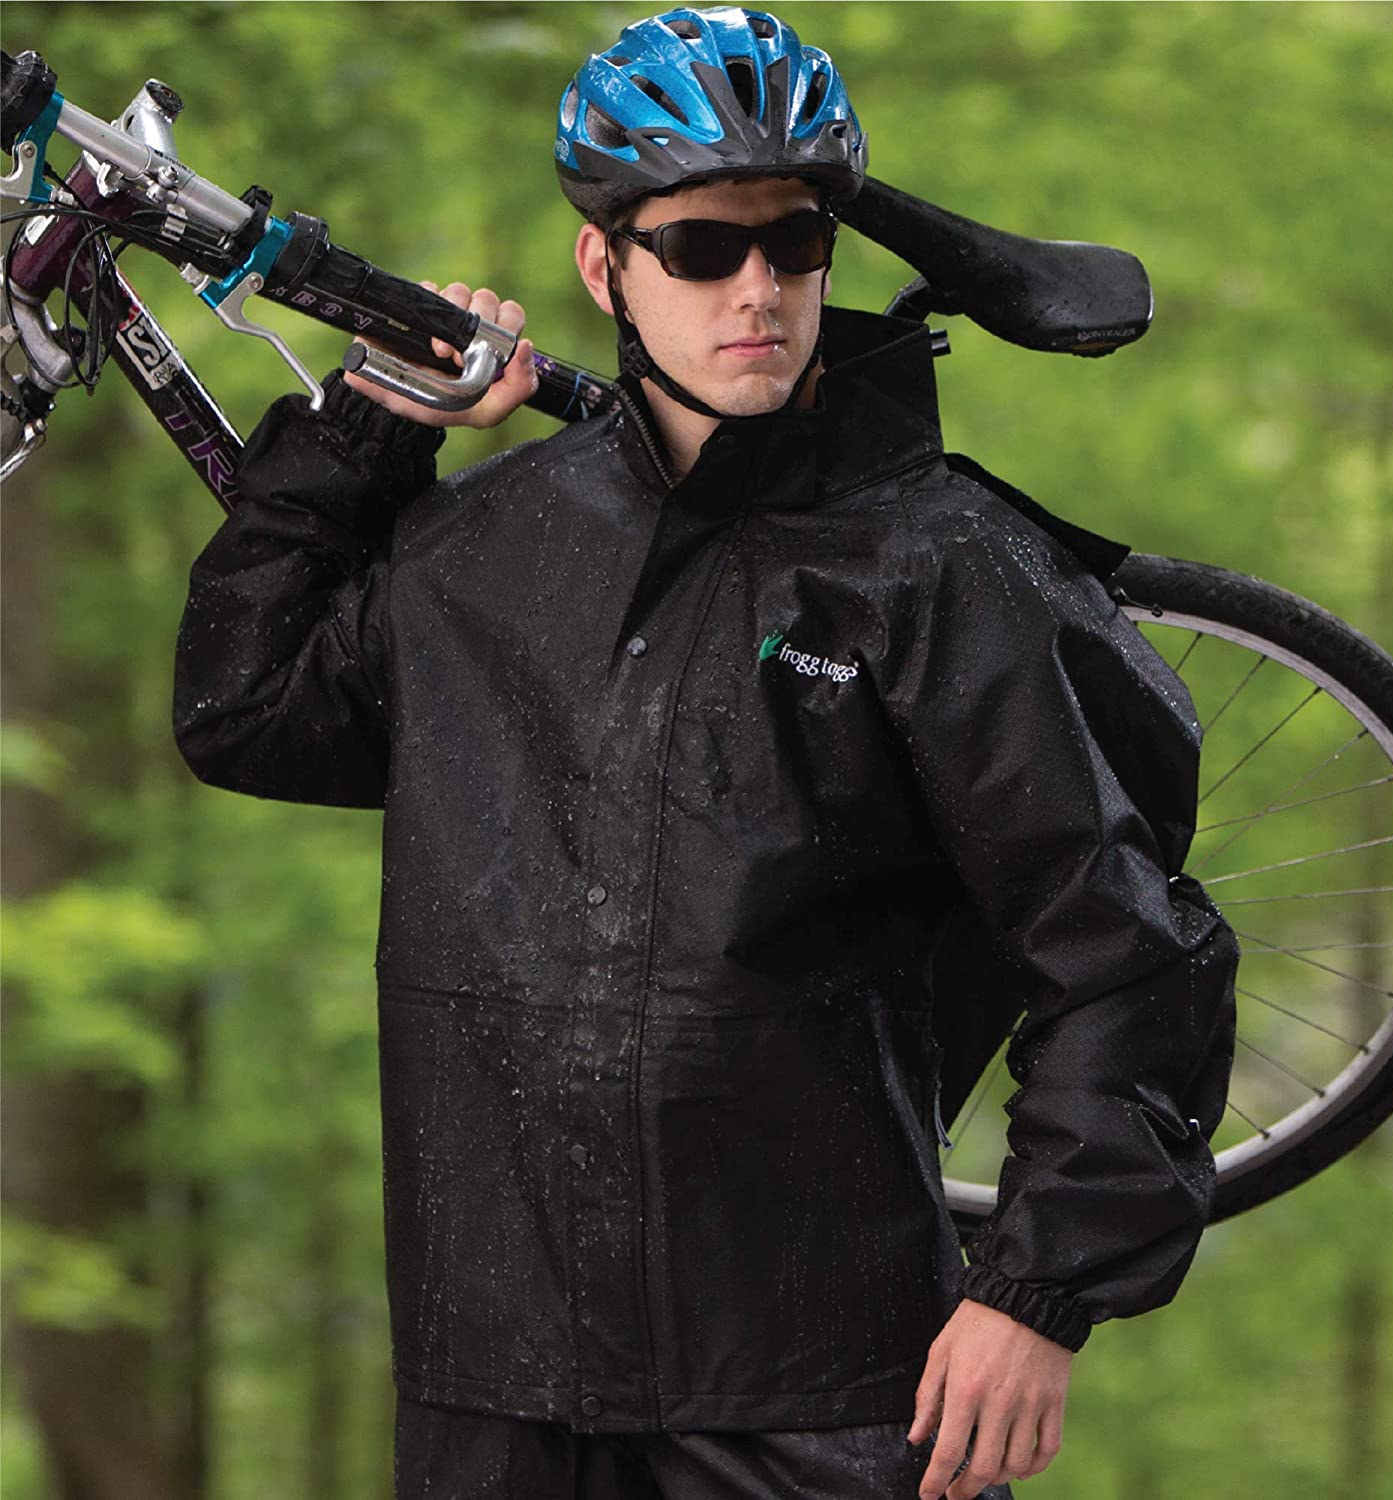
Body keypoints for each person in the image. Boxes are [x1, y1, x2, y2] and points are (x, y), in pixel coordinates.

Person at [172, 7, 1238, 1498]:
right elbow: (248, 710)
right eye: (700, 248)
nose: (757, 290)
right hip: (497, 1395)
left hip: (824, 1398)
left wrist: (1037, 1293)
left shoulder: (943, 567)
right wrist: (366, 434)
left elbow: (1130, 954)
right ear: (603, 265)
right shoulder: (483, 547)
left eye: (794, 243)